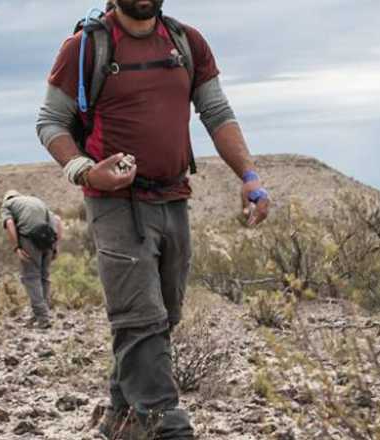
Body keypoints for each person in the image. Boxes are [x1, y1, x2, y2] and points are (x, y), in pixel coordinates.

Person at [35, 1, 272, 439]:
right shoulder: (85, 47)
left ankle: (119, 420)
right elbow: (51, 122)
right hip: (114, 204)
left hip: (174, 196)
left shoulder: (187, 42)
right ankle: (168, 426)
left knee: (164, 317)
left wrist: (249, 176)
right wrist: (87, 171)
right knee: (139, 318)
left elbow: (216, 112)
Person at [0, 190, 63, 330]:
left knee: (31, 278)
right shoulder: (36, 200)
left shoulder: (7, 205)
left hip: (29, 240)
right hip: (48, 239)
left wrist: (16, 247)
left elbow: (10, 224)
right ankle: (41, 313)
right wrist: (55, 246)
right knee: (44, 277)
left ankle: (43, 318)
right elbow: (57, 220)